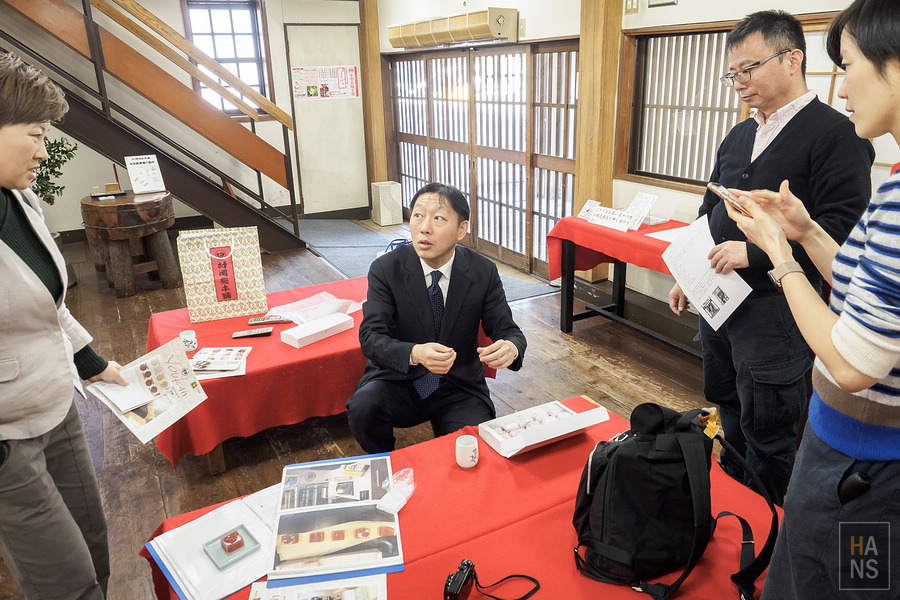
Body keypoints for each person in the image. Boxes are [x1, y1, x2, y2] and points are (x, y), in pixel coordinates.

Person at [725, 2, 900, 595]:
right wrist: (806, 231)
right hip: (848, 451)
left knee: (846, 580)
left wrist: (777, 254)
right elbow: (862, 282)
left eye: (848, 65)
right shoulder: (896, 184)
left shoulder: (850, 149)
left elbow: (853, 363)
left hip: (865, 465)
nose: (844, 84)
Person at [668, 10, 874, 503]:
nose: (739, 82)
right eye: (733, 73)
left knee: (771, 431)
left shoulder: (836, 135)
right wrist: (689, 270)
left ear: (792, 59)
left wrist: (755, 253)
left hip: (778, 310)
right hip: (719, 301)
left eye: (749, 69)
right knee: (727, 409)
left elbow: (841, 233)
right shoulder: (740, 134)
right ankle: (733, 509)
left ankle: (768, 530)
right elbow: (709, 207)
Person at [0, 52, 128, 600]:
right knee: (64, 581)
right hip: (7, 437)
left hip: (54, 401)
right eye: (35, 134)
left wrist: (93, 364)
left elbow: (47, 305)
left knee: (92, 539)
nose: (43, 150)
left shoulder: (18, 198)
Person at [347, 183, 526, 453]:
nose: (424, 227)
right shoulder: (386, 269)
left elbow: (508, 330)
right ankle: (387, 466)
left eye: (438, 218)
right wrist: (415, 352)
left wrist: (511, 348)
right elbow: (371, 337)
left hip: (458, 386)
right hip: (400, 380)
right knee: (363, 407)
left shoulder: (482, 271)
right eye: (418, 215)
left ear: (462, 229)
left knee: (474, 453)